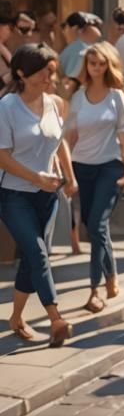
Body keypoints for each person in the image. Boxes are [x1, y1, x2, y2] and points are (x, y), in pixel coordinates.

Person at [0, 44, 76, 346]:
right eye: (45, 72)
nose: (50, 77)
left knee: (34, 259)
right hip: (13, 194)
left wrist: (68, 177)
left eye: (52, 72)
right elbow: (2, 157)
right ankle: (56, 318)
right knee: (39, 253)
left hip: (48, 195)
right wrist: (37, 177)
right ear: (22, 73)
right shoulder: (6, 107)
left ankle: (16, 317)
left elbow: (59, 143)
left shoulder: (55, 103)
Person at [66, 42, 124, 313]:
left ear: (108, 65)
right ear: (87, 66)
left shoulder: (116, 97)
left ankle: (94, 290)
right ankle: (111, 275)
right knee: (93, 225)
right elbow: (69, 136)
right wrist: (64, 170)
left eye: (101, 63)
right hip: (82, 168)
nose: (96, 67)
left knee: (96, 224)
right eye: (92, 63)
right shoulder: (78, 97)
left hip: (110, 167)